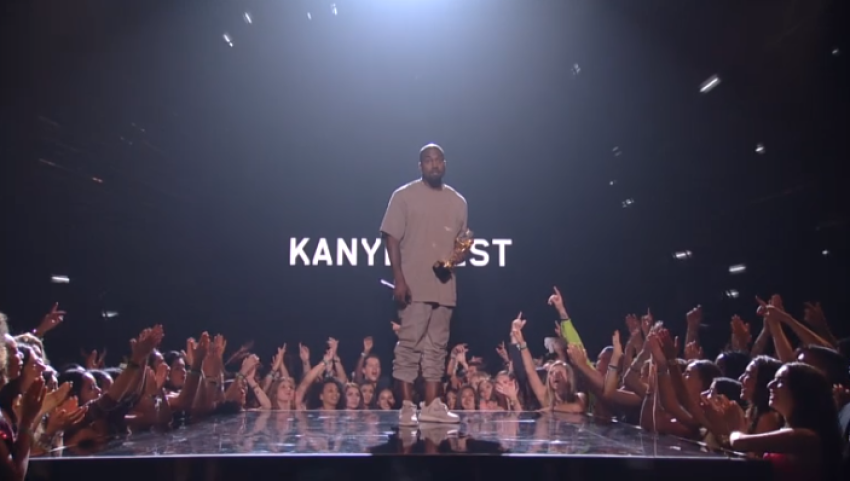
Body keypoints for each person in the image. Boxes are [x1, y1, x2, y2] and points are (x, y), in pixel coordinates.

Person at [380, 143, 467, 425]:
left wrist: (460, 254)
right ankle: (406, 407)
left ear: (445, 163)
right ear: (420, 166)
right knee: (409, 346)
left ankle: (432, 406)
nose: (434, 165)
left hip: (444, 286)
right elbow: (391, 237)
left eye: (438, 160)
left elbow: (461, 244)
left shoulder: (458, 202)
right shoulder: (404, 196)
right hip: (414, 285)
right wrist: (399, 278)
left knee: (437, 348)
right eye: (428, 160)